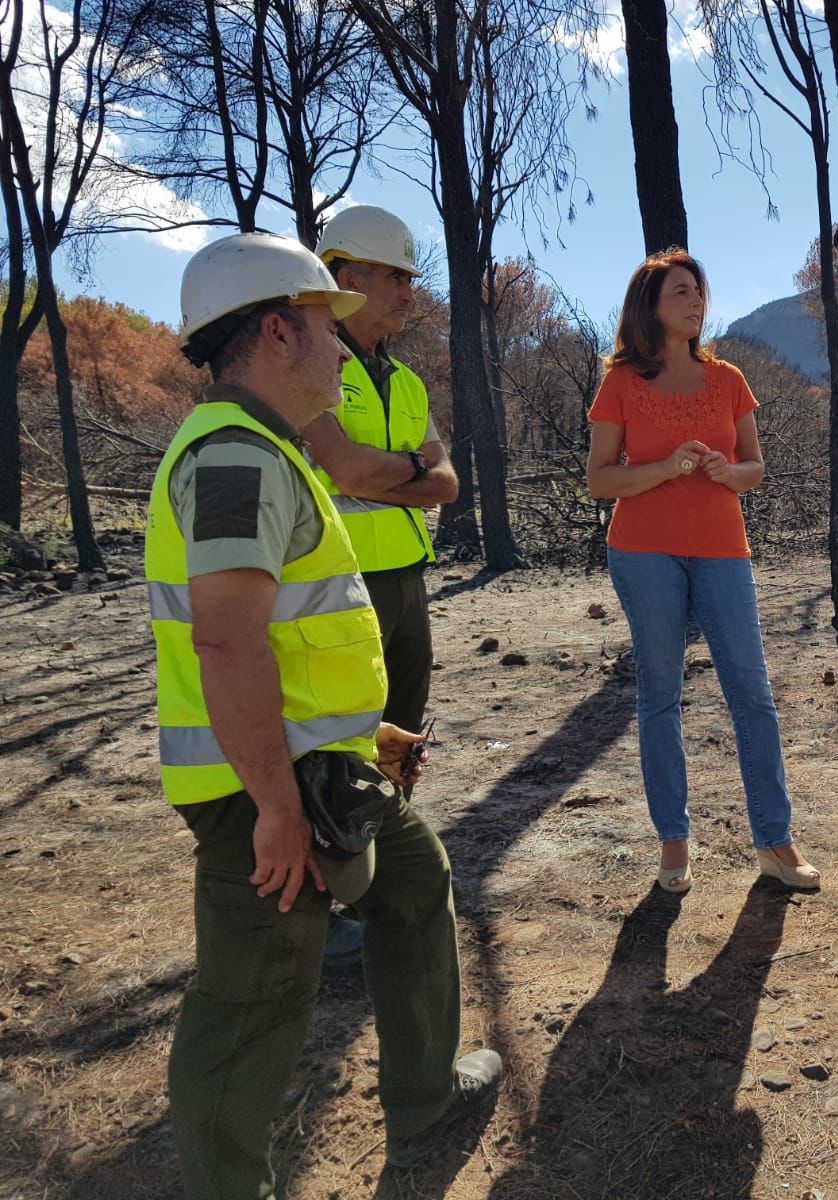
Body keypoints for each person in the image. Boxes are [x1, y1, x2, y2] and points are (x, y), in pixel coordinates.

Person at [150, 232, 499, 1197]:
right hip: (261, 792)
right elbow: (228, 642)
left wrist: (356, 735)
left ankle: (425, 1096)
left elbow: (291, 635)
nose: (342, 351)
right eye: (324, 328)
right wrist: (273, 806)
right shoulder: (234, 457)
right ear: (275, 333)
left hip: (319, 767)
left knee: (415, 883)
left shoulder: (266, 449)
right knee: (253, 1001)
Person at [584, 247, 819, 894]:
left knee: (753, 694)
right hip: (643, 551)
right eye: (680, 293)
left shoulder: (728, 379)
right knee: (660, 696)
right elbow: (599, 479)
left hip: (722, 550)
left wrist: (725, 471)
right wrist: (664, 468)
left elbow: (755, 469)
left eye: (698, 291)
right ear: (651, 308)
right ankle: (673, 843)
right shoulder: (621, 384)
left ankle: (775, 841)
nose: (695, 302)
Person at [308, 206, 456, 962]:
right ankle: (325, 902)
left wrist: (384, 474)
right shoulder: (311, 366)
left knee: (401, 735)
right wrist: (409, 472)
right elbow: (344, 469)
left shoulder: (405, 380)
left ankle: (379, 883)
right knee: (338, 743)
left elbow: (447, 483)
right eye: (394, 275)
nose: (408, 290)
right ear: (345, 276)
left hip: (404, 579)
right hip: (335, 582)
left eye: (409, 276)